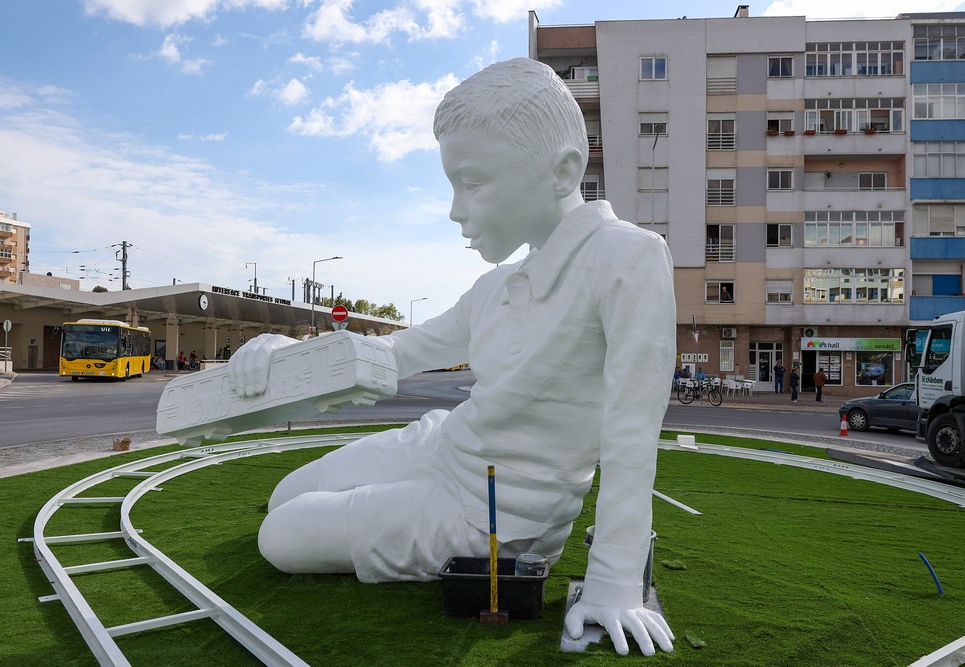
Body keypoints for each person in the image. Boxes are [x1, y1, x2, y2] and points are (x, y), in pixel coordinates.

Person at [227, 59, 676, 657]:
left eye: (474, 182)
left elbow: (632, 433)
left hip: (495, 517)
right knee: (287, 494)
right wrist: (285, 356)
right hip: (442, 446)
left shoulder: (629, 259)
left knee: (280, 535)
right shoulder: (497, 287)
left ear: (563, 171)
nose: (455, 209)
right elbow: (392, 352)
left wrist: (615, 581)